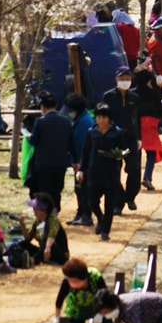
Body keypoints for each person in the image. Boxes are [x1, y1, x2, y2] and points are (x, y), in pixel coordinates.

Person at [77, 103, 126, 241]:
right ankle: (100, 218)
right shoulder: (91, 132)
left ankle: (106, 230)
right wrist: (81, 170)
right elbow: (85, 153)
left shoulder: (117, 132)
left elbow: (123, 149)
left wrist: (119, 155)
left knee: (109, 204)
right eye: (98, 117)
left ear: (109, 118)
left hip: (111, 173)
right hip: (94, 172)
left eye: (104, 117)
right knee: (92, 201)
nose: (101, 120)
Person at [54, 258, 112, 323]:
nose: (72, 284)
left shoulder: (95, 277)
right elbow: (59, 300)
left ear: (84, 279)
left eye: (75, 282)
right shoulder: (67, 281)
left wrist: (100, 314)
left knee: (105, 320)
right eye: (71, 281)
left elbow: (105, 296)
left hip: (96, 307)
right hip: (76, 309)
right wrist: (57, 318)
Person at [100, 66, 143, 212]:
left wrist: (139, 138)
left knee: (134, 169)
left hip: (131, 137)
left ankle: (130, 197)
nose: (125, 81)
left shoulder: (135, 97)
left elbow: (137, 119)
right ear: (116, 79)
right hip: (114, 138)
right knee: (113, 171)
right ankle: (118, 203)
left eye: (127, 78)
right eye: (121, 78)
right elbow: (102, 117)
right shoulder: (108, 97)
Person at [26, 94, 75, 210]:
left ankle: (47, 216)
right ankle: (55, 211)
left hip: (43, 165)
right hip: (60, 163)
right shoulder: (66, 121)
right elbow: (71, 143)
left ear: (42, 107)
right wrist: (76, 160)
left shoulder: (40, 122)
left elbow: (33, 141)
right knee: (57, 191)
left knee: (45, 192)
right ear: (56, 105)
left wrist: (28, 136)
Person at [22, 194, 69, 265]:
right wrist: (23, 225)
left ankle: (32, 260)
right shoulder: (37, 221)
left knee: (46, 243)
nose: (34, 210)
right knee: (23, 244)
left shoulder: (53, 220)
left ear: (44, 210)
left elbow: (51, 237)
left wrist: (47, 248)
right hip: (43, 251)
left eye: (36, 208)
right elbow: (28, 238)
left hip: (57, 253)